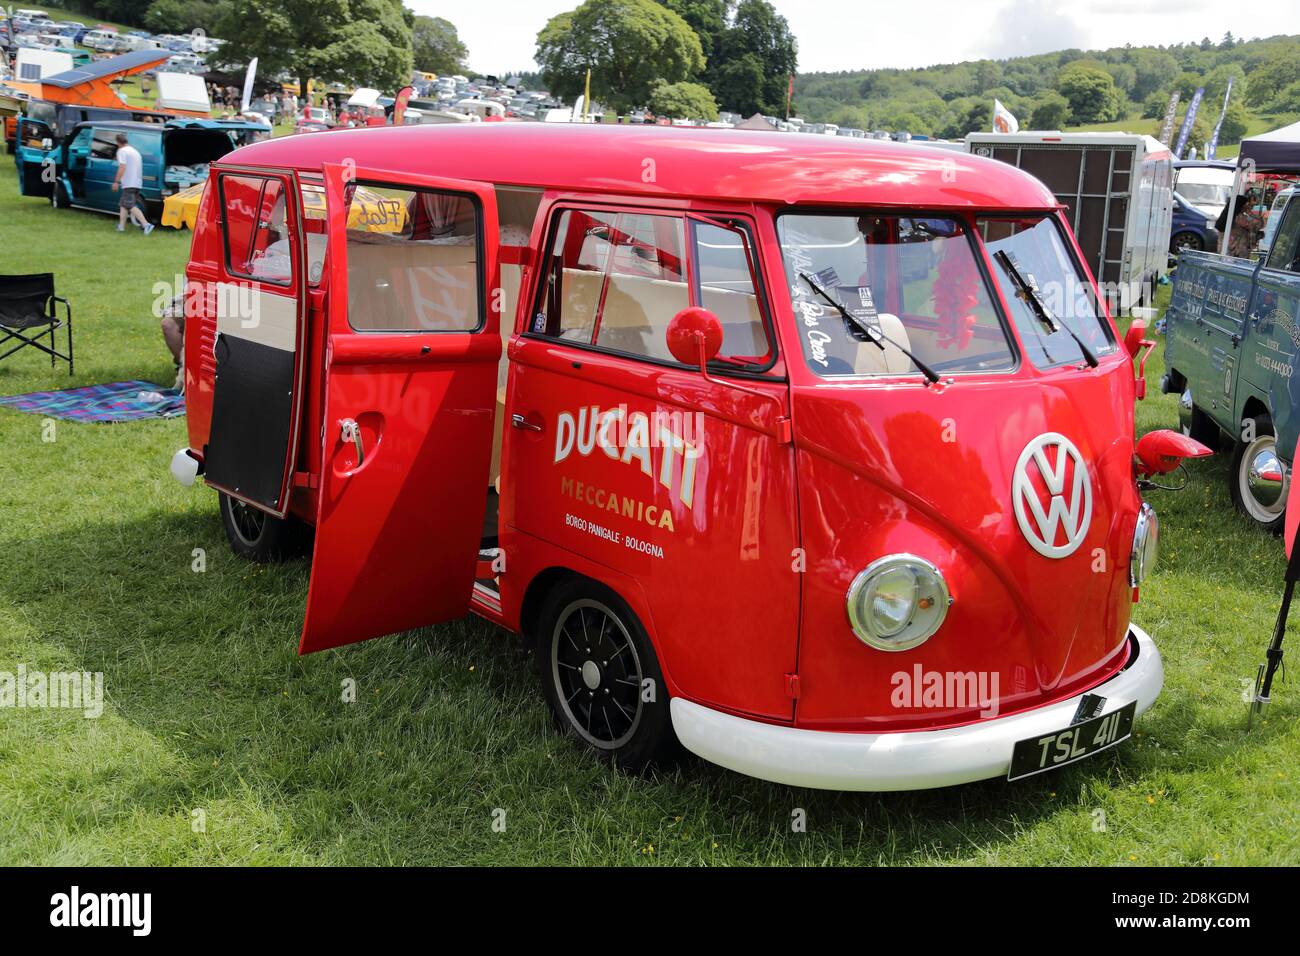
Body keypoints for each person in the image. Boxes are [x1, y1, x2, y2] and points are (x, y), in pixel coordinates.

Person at [111, 133, 153, 235]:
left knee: (129, 205)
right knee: (123, 204)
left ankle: (146, 224)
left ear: (117, 142)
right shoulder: (135, 151)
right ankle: (121, 227)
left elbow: (122, 167)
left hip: (129, 183)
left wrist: (116, 181)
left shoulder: (122, 151)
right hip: (137, 183)